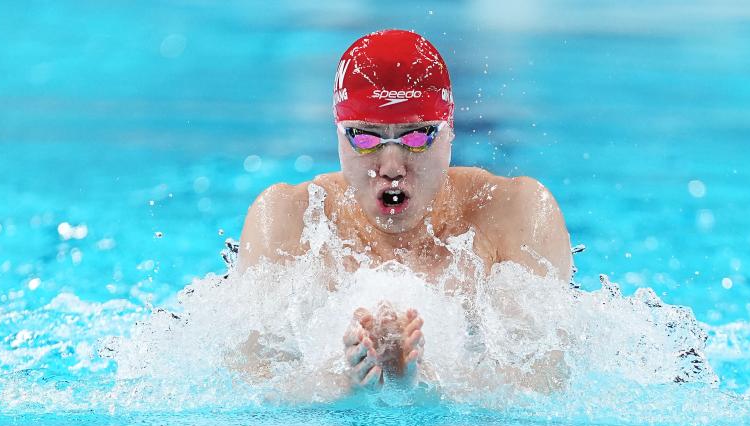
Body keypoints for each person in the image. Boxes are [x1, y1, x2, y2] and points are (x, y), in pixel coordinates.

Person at [236, 29, 572, 390]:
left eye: (416, 136)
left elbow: (546, 383)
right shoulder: (289, 219)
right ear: (337, 133)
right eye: (365, 137)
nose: (393, 165)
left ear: (450, 131)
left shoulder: (515, 214)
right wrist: (346, 384)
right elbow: (251, 384)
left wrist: (427, 384)